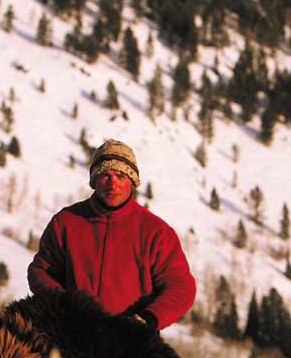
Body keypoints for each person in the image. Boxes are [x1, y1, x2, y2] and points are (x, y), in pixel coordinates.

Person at [27, 139, 196, 331]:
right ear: (94, 180)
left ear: (132, 182)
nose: (112, 184)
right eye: (105, 175)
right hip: (71, 336)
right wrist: (65, 305)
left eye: (120, 176)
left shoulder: (156, 232)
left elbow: (181, 288)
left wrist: (148, 319)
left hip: (132, 342)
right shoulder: (66, 222)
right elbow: (40, 272)